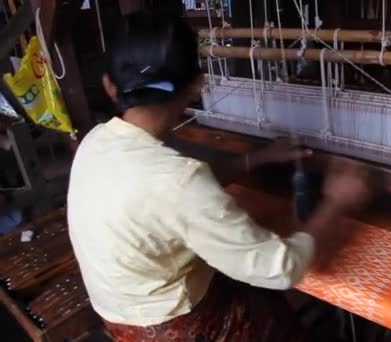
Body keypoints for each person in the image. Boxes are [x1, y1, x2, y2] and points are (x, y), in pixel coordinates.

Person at [67, 12, 372, 342]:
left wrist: (256, 158)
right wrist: (337, 202)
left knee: (256, 292)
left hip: (121, 319)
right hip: (175, 327)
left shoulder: (96, 141)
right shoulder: (178, 181)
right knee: (270, 307)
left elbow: (167, 194)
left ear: (110, 87)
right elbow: (281, 268)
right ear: (198, 85)